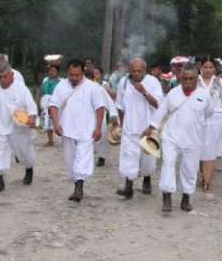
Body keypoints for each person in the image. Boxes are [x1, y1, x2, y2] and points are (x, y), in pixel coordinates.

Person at [145, 64, 214, 212]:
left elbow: (208, 113)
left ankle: (186, 198)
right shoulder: (173, 94)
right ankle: (167, 197)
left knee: (190, 169)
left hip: (193, 140)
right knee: (168, 165)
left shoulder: (204, 95)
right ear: (180, 78)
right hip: (171, 138)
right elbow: (161, 111)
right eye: (185, 79)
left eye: (191, 79)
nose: (188, 82)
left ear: (197, 78)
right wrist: (151, 128)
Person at [49, 60, 107, 203]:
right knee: (70, 160)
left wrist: (98, 128)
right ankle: (76, 183)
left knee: (83, 158)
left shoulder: (92, 87)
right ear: (67, 73)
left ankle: (79, 187)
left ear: (83, 73)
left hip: (87, 129)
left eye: (77, 75)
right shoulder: (61, 86)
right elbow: (53, 106)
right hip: (67, 128)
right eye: (71, 75)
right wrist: (56, 124)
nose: (74, 78)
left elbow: (100, 108)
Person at [115, 58, 163, 199]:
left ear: (144, 70)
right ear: (130, 70)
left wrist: (144, 92)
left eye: (139, 71)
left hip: (147, 128)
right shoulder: (123, 83)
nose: (136, 73)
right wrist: (121, 124)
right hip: (129, 128)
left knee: (147, 158)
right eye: (133, 71)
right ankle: (128, 186)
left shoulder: (153, 82)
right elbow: (120, 106)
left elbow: (158, 105)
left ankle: (146, 180)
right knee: (128, 157)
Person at [0, 64, 38, 192]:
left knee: (25, 152)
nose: (2, 79)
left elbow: (31, 105)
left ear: (12, 75)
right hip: (0, 128)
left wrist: (32, 118)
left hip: (19, 128)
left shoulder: (21, 89)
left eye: (5, 76)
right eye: (0, 77)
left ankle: (29, 168)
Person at [198, 58, 222, 194]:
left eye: (210, 67)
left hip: (215, 122)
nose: (207, 70)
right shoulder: (195, 81)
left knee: (209, 153)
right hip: (198, 121)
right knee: (199, 150)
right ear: (201, 68)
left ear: (214, 69)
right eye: (205, 67)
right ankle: (203, 174)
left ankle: (207, 182)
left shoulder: (219, 82)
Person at [88, 68, 118, 167]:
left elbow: (109, 101)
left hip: (100, 115)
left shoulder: (99, 88)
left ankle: (102, 157)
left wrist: (113, 115)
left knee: (102, 136)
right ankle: (88, 156)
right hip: (86, 117)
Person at [37, 63, 62, 146]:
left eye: (53, 71)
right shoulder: (45, 80)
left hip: (55, 103)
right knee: (47, 120)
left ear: (57, 72)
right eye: (50, 70)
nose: (51, 72)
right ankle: (50, 140)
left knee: (57, 121)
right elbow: (40, 90)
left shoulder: (61, 82)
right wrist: (39, 101)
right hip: (45, 102)